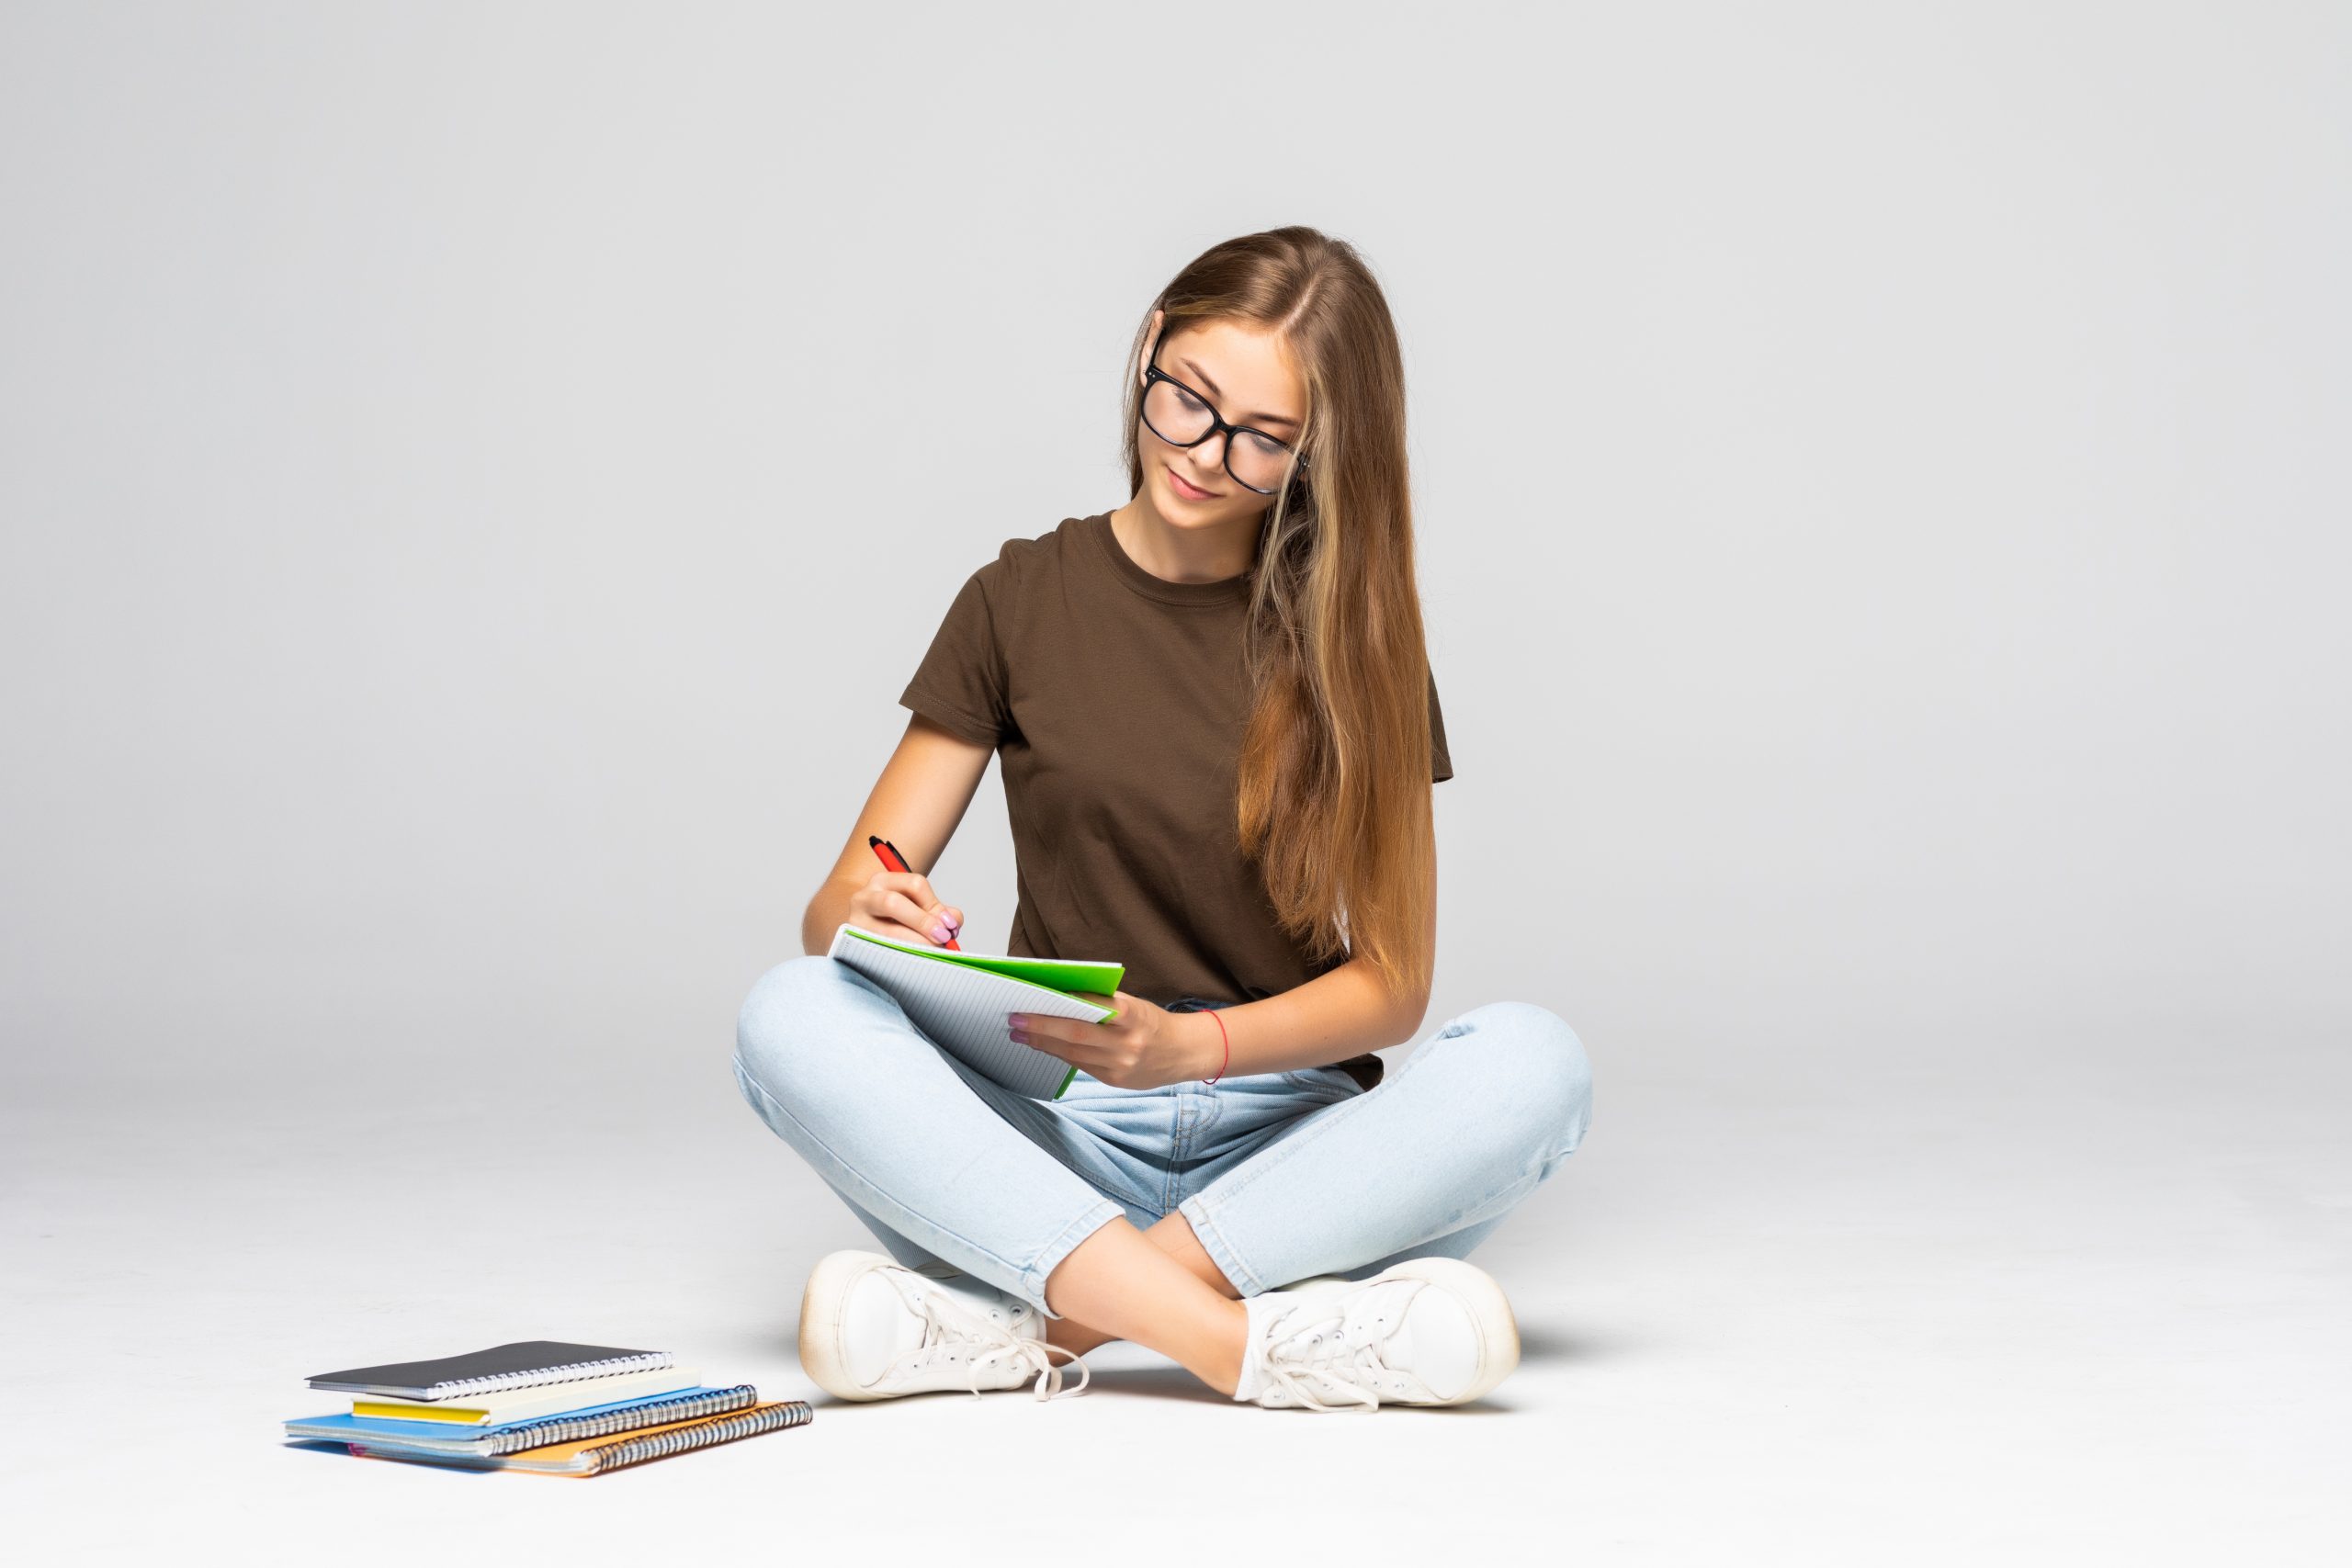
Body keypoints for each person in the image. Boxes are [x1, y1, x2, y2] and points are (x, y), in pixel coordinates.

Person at [733, 226, 1592, 1414]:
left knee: (1534, 1065)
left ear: (1318, 453)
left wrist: (1195, 1050)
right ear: (1150, 348)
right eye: (1188, 400)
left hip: (1290, 1143)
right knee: (787, 1012)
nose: (1203, 454)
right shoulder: (1018, 600)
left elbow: (1395, 986)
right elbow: (838, 907)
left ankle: (1030, 1325)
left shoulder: (1362, 647)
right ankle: (1252, 1340)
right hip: (1056, 1122)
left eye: (1262, 440)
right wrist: (866, 908)